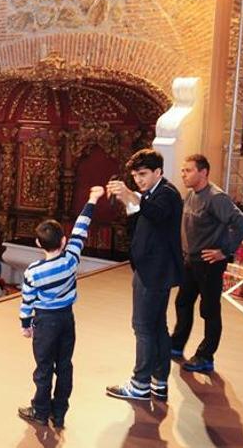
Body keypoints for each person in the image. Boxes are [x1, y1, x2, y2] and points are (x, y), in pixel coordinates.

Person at [17, 186, 102, 427]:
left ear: (37, 243)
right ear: (63, 241)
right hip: (66, 319)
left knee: (43, 368)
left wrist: (25, 325)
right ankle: (60, 412)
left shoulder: (33, 272)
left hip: (45, 322)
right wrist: (92, 199)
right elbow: (81, 228)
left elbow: (27, 301)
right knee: (64, 365)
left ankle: (41, 411)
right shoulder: (72, 258)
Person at [105, 149, 184, 401]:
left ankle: (139, 383)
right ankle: (159, 381)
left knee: (143, 327)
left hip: (155, 271)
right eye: (135, 175)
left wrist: (132, 195)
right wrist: (128, 200)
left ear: (158, 172)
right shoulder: (152, 193)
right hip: (150, 269)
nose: (138, 179)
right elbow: (141, 219)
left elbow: (156, 213)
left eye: (143, 174)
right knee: (156, 326)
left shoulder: (167, 194)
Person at [171, 154, 243, 373]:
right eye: (183, 170)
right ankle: (176, 344)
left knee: (209, 309)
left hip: (208, 264)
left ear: (203, 172)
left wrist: (224, 251)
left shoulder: (216, 198)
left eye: (188, 170)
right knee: (183, 302)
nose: (183, 174)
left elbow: (241, 224)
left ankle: (206, 356)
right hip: (191, 261)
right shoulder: (191, 195)